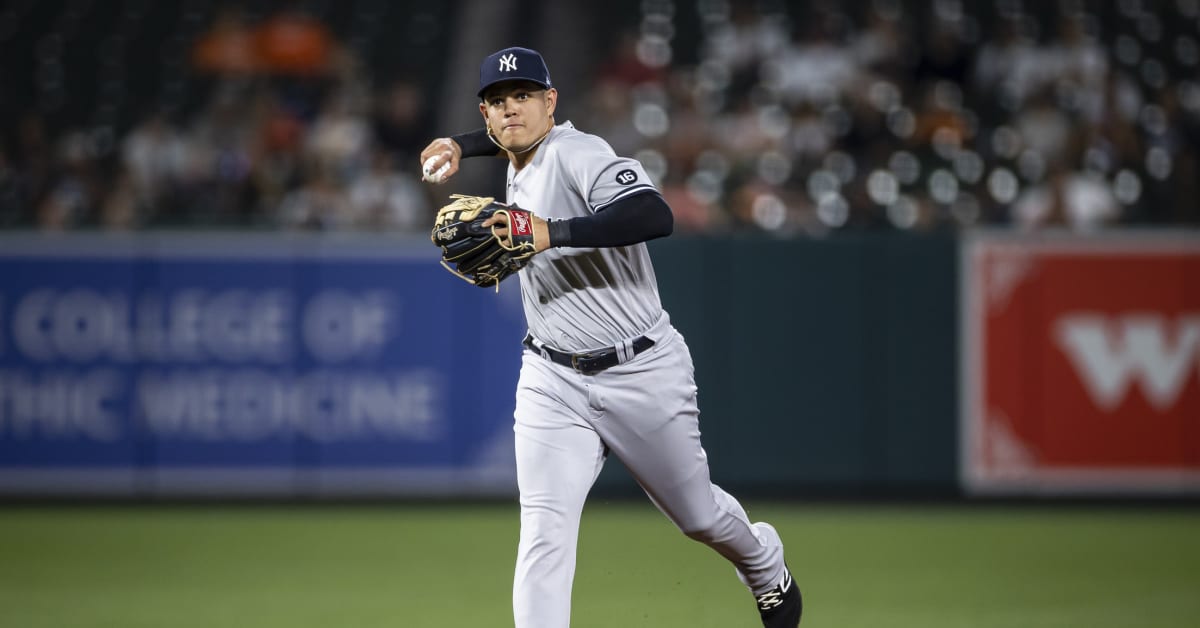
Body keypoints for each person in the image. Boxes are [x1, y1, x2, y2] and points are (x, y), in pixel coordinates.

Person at [419, 46, 802, 628]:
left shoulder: (579, 152)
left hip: (640, 368)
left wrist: (554, 232)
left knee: (698, 517)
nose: (510, 109)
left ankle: (763, 560)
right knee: (543, 535)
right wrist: (459, 143)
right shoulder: (511, 150)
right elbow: (503, 137)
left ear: (550, 102)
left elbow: (653, 215)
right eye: (498, 101)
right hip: (551, 379)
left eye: (523, 95)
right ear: (486, 113)